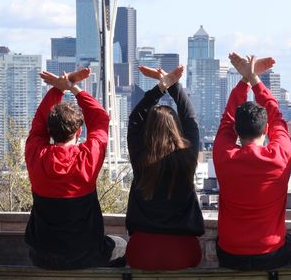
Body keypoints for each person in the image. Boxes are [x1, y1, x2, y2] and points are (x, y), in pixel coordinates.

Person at [24, 69, 126, 270]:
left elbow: (38, 124)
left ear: (49, 130)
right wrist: (73, 88)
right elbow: (100, 118)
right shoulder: (87, 157)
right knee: (122, 245)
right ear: (79, 131)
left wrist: (58, 90)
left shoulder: (35, 154)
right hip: (85, 255)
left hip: (43, 256)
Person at [213, 53, 291, 270]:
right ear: (267, 129)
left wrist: (245, 80)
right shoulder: (280, 156)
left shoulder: (225, 156)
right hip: (271, 254)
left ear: (236, 131)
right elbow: (277, 116)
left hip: (231, 254)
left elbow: (227, 120)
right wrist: (254, 80)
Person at [125, 65, 205, 270]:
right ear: (177, 128)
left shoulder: (140, 158)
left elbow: (135, 119)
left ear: (148, 130)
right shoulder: (187, 157)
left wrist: (161, 88)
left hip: (142, 250)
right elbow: (191, 120)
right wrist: (172, 85)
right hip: (183, 250)